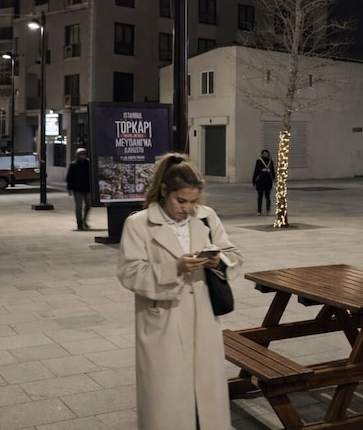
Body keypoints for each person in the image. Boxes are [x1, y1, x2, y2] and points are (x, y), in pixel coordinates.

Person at [117, 153, 242, 430]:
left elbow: (233, 255)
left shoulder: (206, 217)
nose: (187, 208)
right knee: (167, 398)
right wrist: (174, 267)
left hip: (204, 318)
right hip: (163, 319)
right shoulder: (138, 223)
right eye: (181, 201)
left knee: (206, 398)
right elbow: (129, 272)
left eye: (193, 201)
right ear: (164, 191)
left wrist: (217, 261)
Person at [66, 147, 92, 230]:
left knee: (88, 205)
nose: (83, 156)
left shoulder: (89, 164)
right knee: (79, 206)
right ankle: (79, 223)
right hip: (77, 189)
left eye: (84, 154)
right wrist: (69, 188)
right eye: (81, 154)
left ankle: (84, 220)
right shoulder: (73, 165)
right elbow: (69, 177)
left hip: (87, 188)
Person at [252, 148, 276, 215]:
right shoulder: (259, 161)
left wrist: (273, 177)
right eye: (264, 154)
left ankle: (268, 209)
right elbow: (256, 171)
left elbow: (273, 170)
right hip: (261, 181)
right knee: (260, 196)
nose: (266, 155)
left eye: (267, 154)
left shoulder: (270, 161)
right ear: (262, 154)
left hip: (268, 181)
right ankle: (259, 210)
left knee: (267, 196)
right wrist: (254, 180)